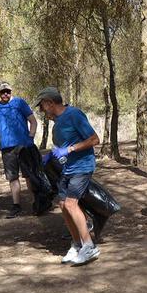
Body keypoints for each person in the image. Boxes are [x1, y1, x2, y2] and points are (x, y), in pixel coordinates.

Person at [35, 87, 100, 266]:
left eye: (42, 106)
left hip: (82, 166)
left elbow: (95, 139)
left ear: (50, 102)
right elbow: (62, 146)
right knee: (63, 204)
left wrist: (70, 149)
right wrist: (51, 154)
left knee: (71, 203)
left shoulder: (74, 114)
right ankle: (77, 244)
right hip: (68, 168)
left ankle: (89, 246)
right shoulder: (57, 123)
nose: (41, 111)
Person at [0, 81, 37, 218]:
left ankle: (35, 203)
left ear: (11, 91)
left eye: (8, 91)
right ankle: (16, 206)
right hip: (6, 148)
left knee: (28, 175)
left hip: (24, 146)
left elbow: (33, 121)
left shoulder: (20, 103)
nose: (5, 94)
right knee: (12, 178)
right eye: (3, 92)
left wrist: (30, 138)